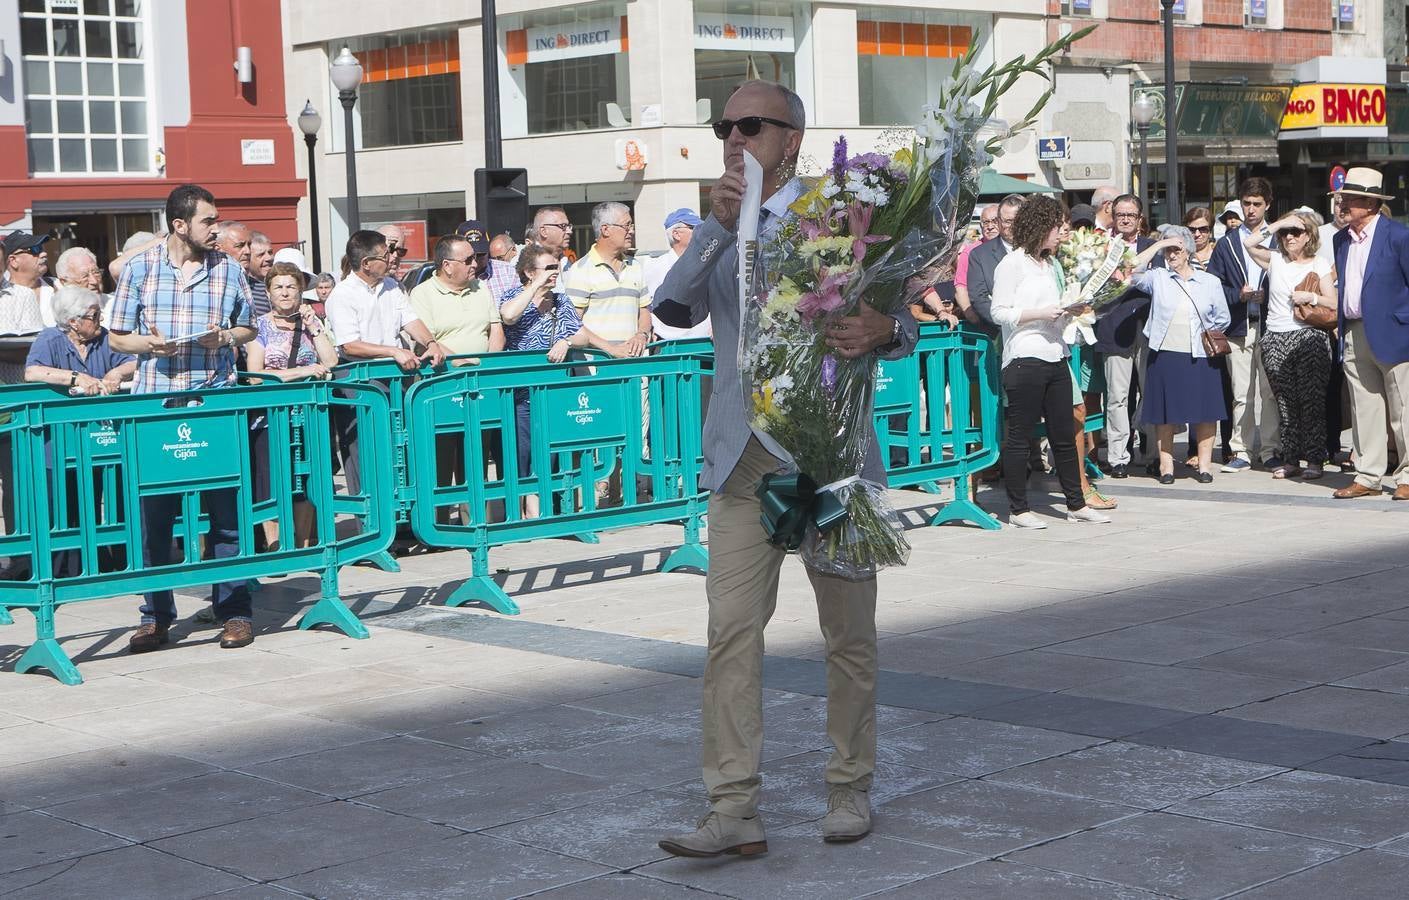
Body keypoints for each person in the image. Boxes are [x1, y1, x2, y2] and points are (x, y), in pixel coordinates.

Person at [654, 80, 916, 856]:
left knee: (848, 636)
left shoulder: (852, 217)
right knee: (730, 633)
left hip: (829, 460)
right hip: (743, 463)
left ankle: (848, 789)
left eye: (749, 125)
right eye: (722, 126)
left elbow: (898, 321)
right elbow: (673, 309)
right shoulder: (720, 222)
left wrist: (884, 328)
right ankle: (732, 808)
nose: (733, 137)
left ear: (792, 139)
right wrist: (714, 226)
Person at [107, 184, 259, 652]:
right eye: (207, 221)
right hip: (157, 405)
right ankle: (156, 616)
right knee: (155, 518)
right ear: (179, 225)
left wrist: (225, 338)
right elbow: (116, 338)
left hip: (212, 401)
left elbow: (249, 325)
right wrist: (150, 345)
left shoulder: (229, 269)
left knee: (227, 514)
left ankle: (234, 612)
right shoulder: (139, 268)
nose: (216, 228)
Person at [989, 195, 1111, 528]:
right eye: (1057, 226)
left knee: (1064, 433)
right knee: (1021, 435)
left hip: (1057, 354)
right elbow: (999, 312)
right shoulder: (1012, 264)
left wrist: (1071, 312)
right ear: (1041, 226)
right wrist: (1040, 314)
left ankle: (1076, 504)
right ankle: (1018, 510)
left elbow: (1054, 312)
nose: (1062, 233)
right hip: (1024, 358)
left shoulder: (1049, 265)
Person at [325, 229, 446, 508]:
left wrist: (430, 342)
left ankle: (403, 522)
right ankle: (370, 529)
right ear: (366, 263)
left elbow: (410, 320)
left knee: (400, 449)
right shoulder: (342, 295)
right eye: (385, 254)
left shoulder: (392, 287)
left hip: (395, 378)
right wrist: (392, 351)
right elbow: (350, 346)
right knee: (365, 454)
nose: (392, 258)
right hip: (360, 380)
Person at [1328, 168, 1409, 500]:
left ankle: (1406, 476)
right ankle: (1369, 476)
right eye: (1343, 197)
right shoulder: (1340, 239)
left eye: (1350, 199)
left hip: (1396, 332)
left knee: (1404, 408)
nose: (1342, 203)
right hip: (1354, 331)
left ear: (1371, 203)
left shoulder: (1399, 236)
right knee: (1365, 409)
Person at [245, 261, 338, 549]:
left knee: (305, 475)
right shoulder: (258, 326)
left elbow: (331, 361)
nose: (285, 293)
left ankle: (303, 541)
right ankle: (274, 542)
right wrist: (300, 372)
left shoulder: (311, 324)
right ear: (269, 293)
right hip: (269, 417)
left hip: (307, 414)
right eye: (279, 287)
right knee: (269, 479)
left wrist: (315, 327)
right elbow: (255, 376)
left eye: (291, 287)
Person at [1131, 229, 1231, 484]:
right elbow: (1131, 270)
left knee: (1206, 412)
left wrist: (1204, 333)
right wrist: (1159, 243)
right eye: (1168, 251)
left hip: (1200, 354)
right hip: (1166, 354)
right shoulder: (1159, 277)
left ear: (1188, 252)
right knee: (1165, 413)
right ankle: (1166, 467)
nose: (1171, 255)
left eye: (1176, 250)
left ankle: (1205, 465)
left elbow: (1223, 318)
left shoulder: (1210, 282)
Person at [1243, 212, 1337, 480]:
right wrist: (1280, 223)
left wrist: (1311, 297)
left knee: (1312, 402)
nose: (1290, 237)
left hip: (1309, 337)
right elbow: (1249, 243)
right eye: (1286, 233)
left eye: (1297, 232)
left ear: (1309, 235)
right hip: (1275, 337)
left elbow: (1334, 302)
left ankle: (1315, 461)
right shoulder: (1274, 259)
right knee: (1284, 403)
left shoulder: (1319, 263)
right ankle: (1292, 459)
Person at [498, 244, 585, 517]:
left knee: (547, 450)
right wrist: (533, 287)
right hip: (520, 391)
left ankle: (539, 509)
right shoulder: (513, 295)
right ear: (528, 271)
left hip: (552, 389)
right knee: (521, 451)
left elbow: (582, 334)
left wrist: (566, 340)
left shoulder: (560, 300)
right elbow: (509, 316)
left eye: (556, 267)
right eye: (548, 268)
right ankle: (522, 508)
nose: (554, 273)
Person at [1208, 177, 1280, 472]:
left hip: (1270, 323)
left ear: (1267, 205)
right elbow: (1213, 286)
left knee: (1270, 392)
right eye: (1247, 204)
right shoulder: (1226, 244)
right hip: (1238, 326)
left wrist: (1268, 293)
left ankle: (1271, 450)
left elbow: (1290, 280)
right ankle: (1241, 449)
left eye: (1257, 204)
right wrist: (1238, 294)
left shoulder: (1278, 239)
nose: (1251, 210)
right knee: (1241, 393)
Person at [1095, 194, 1158, 478]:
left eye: (1131, 215)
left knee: (1151, 393)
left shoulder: (1152, 249)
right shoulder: (1100, 248)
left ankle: (1153, 453)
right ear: (1113, 216)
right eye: (1120, 214)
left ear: (1139, 218)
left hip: (1148, 328)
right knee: (1117, 397)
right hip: (1114, 329)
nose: (1125, 219)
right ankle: (1118, 456)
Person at [24, 285, 136, 394]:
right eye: (95, 315)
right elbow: (32, 372)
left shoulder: (103, 336)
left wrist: (117, 373)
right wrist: (77, 378)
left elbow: (133, 363)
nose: (101, 318)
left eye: (100, 313)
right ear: (73, 322)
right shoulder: (49, 338)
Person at [409, 234, 504, 356]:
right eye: (468, 260)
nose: (475, 264)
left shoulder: (481, 287)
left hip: (484, 371)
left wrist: (487, 365)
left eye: (474, 257)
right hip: (446, 372)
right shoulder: (422, 294)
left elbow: (496, 331)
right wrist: (463, 366)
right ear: (447, 266)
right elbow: (427, 343)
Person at [645, 208, 711, 339]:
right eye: (693, 228)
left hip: (704, 342)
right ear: (676, 234)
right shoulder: (657, 267)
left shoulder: (706, 263)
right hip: (668, 344)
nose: (700, 232)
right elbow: (648, 305)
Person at [965, 194, 1024, 330]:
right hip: (1000, 330)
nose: (1012, 226)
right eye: (1007, 221)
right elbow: (978, 297)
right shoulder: (979, 255)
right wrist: (1008, 321)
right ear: (999, 222)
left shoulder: (1036, 250)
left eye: (1017, 221)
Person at [953, 204, 1001, 326]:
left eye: (994, 221)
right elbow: (960, 286)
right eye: (985, 222)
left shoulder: (1012, 248)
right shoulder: (970, 252)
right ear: (981, 226)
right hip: (983, 317)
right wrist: (971, 316)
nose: (990, 227)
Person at [3, 231, 56, 327]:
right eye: (35, 249)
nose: (44, 253)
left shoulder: (59, 286)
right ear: (13, 261)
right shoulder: (2, 297)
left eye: (42, 248)